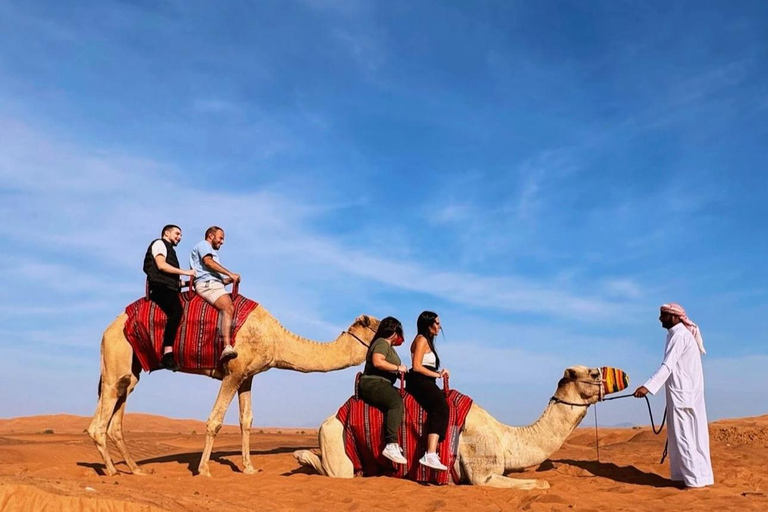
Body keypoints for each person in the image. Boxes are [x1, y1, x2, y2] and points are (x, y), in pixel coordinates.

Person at [633, 303, 714, 488]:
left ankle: (694, 482)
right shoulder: (678, 335)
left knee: (685, 436)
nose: (660, 319)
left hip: (683, 395)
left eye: (664, 315)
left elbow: (668, 365)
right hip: (685, 393)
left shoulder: (680, 336)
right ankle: (693, 477)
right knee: (689, 436)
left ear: (676, 317)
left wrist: (647, 387)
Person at [143, 224, 195, 371]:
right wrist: (186, 272)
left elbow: (173, 280)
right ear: (167, 233)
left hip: (169, 287)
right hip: (161, 288)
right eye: (177, 234)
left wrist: (191, 283)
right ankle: (167, 353)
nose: (179, 237)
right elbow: (161, 266)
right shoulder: (159, 244)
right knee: (176, 312)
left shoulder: (170, 250)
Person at [358, 316, 408, 465]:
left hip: (383, 382)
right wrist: (398, 368)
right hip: (373, 383)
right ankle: (391, 444)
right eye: (399, 332)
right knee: (396, 403)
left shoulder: (388, 347)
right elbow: (378, 362)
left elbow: (387, 367)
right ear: (393, 331)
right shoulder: (382, 343)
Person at [406, 311, 450, 471]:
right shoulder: (421, 339)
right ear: (428, 324)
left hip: (425, 380)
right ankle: (430, 453)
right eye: (437, 323)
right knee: (441, 408)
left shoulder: (427, 341)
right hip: (419, 380)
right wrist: (437, 374)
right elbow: (417, 366)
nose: (439, 326)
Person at [189, 226, 241, 362]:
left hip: (213, 283)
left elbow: (213, 274)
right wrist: (230, 273)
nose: (222, 242)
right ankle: (226, 346)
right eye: (220, 238)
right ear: (211, 236)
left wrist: (228, 280)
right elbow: (208, 263)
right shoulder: (204, 245)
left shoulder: (211, 252)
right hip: (207, 285)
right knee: (228, 307)